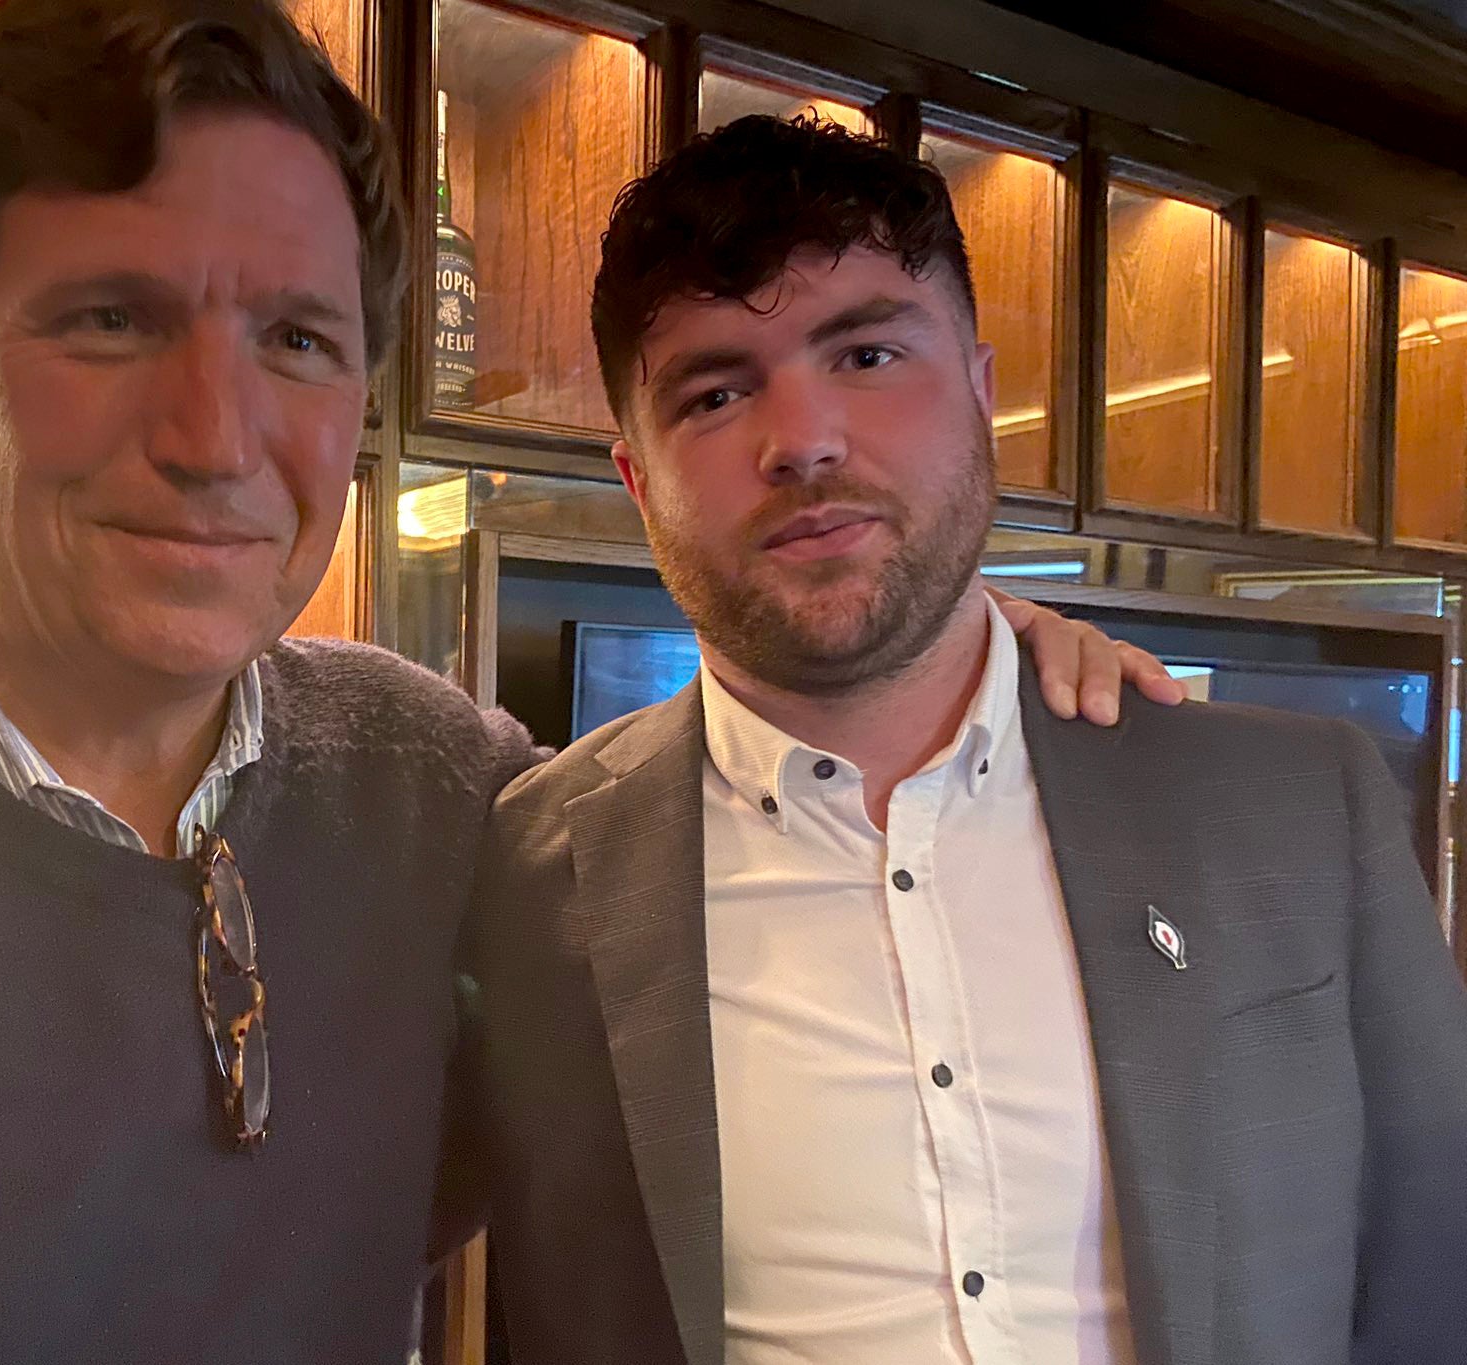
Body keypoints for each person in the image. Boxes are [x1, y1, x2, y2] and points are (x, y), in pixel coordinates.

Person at [0, 4, 1168, 1358]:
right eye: (106, 320)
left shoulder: (440, 799)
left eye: (297, 342)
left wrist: (982, 677)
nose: (215, 439)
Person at [468, 115, 1467, 1365]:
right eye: (715, 392)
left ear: (983, 393)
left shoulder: (1298, 806)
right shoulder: (522, 865)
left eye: (869, 353)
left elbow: (1434, 1276)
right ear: (635, 475)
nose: (804, 440)